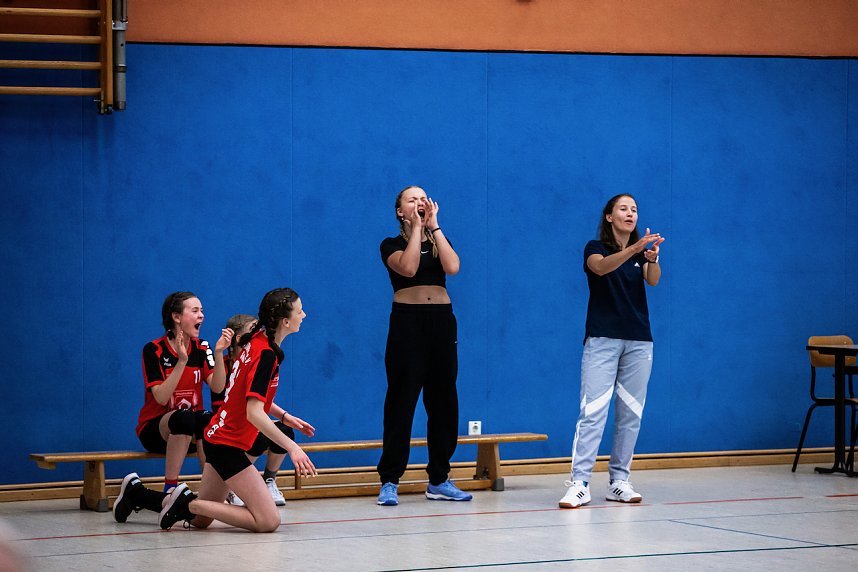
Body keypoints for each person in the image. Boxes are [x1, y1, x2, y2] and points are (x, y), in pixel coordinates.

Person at [118, 288, 317, 532]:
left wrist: (284, 416)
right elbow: (253, 413)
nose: (304, 315)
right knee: (268, 521)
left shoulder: (258, 343)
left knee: (203, 520)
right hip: (227, 444)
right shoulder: (264, 354)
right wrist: (292, 447)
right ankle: (187, 503)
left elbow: (243, 396)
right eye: (300, 311)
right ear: (285, 321)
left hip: (218, 438)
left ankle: (137, 494)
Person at [559, 194, 664, 509]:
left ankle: (619, 480)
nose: (630, 213)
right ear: (609, 217)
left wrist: (652, 260)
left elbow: (653, 281)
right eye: (623, 208)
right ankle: (580, 483)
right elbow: (601, 269)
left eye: (634, 209)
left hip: (639, 340)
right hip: (602, 339)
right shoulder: (595, 248)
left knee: (631, 413)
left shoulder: (640, 254)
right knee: (593, 412)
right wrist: (634, 249)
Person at [376, 185, 470, 506]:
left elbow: (453, 267)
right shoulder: (391, 244)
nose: (419, 202)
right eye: (411, 200)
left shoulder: (437, 236)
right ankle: (390, 479)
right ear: (400, 211)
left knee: (444, 400)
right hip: (408, 324)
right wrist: (416, 228)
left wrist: (434, 227)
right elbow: (409, 268)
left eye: (422, 197)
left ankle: (439, 478)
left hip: (442, 323)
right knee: (401, 401)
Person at [214, 314, 316, 507]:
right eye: (254, 329)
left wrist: (285, 416)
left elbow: (258, 401)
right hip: (228, 430)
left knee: (282, 431)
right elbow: (222, 391)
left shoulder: (259, 355)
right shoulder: (252, 357)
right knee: (267, 520)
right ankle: (233, 487)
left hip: (241, 428)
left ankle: (268, 479)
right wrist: (218, 354)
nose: (259, 332)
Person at [137, 292, 232, 494]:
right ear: (177, 317)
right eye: (195, 311)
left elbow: (217, 387)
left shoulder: (202, 347)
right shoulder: (153, 350)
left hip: (192, 430)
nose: (202, 316)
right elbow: (161, 397)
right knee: (184, 419)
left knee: (208, 419)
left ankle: (210, 489)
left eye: (202, 311)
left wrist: (218, 353)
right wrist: (181, 361)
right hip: (155, 430)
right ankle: (170, 489)